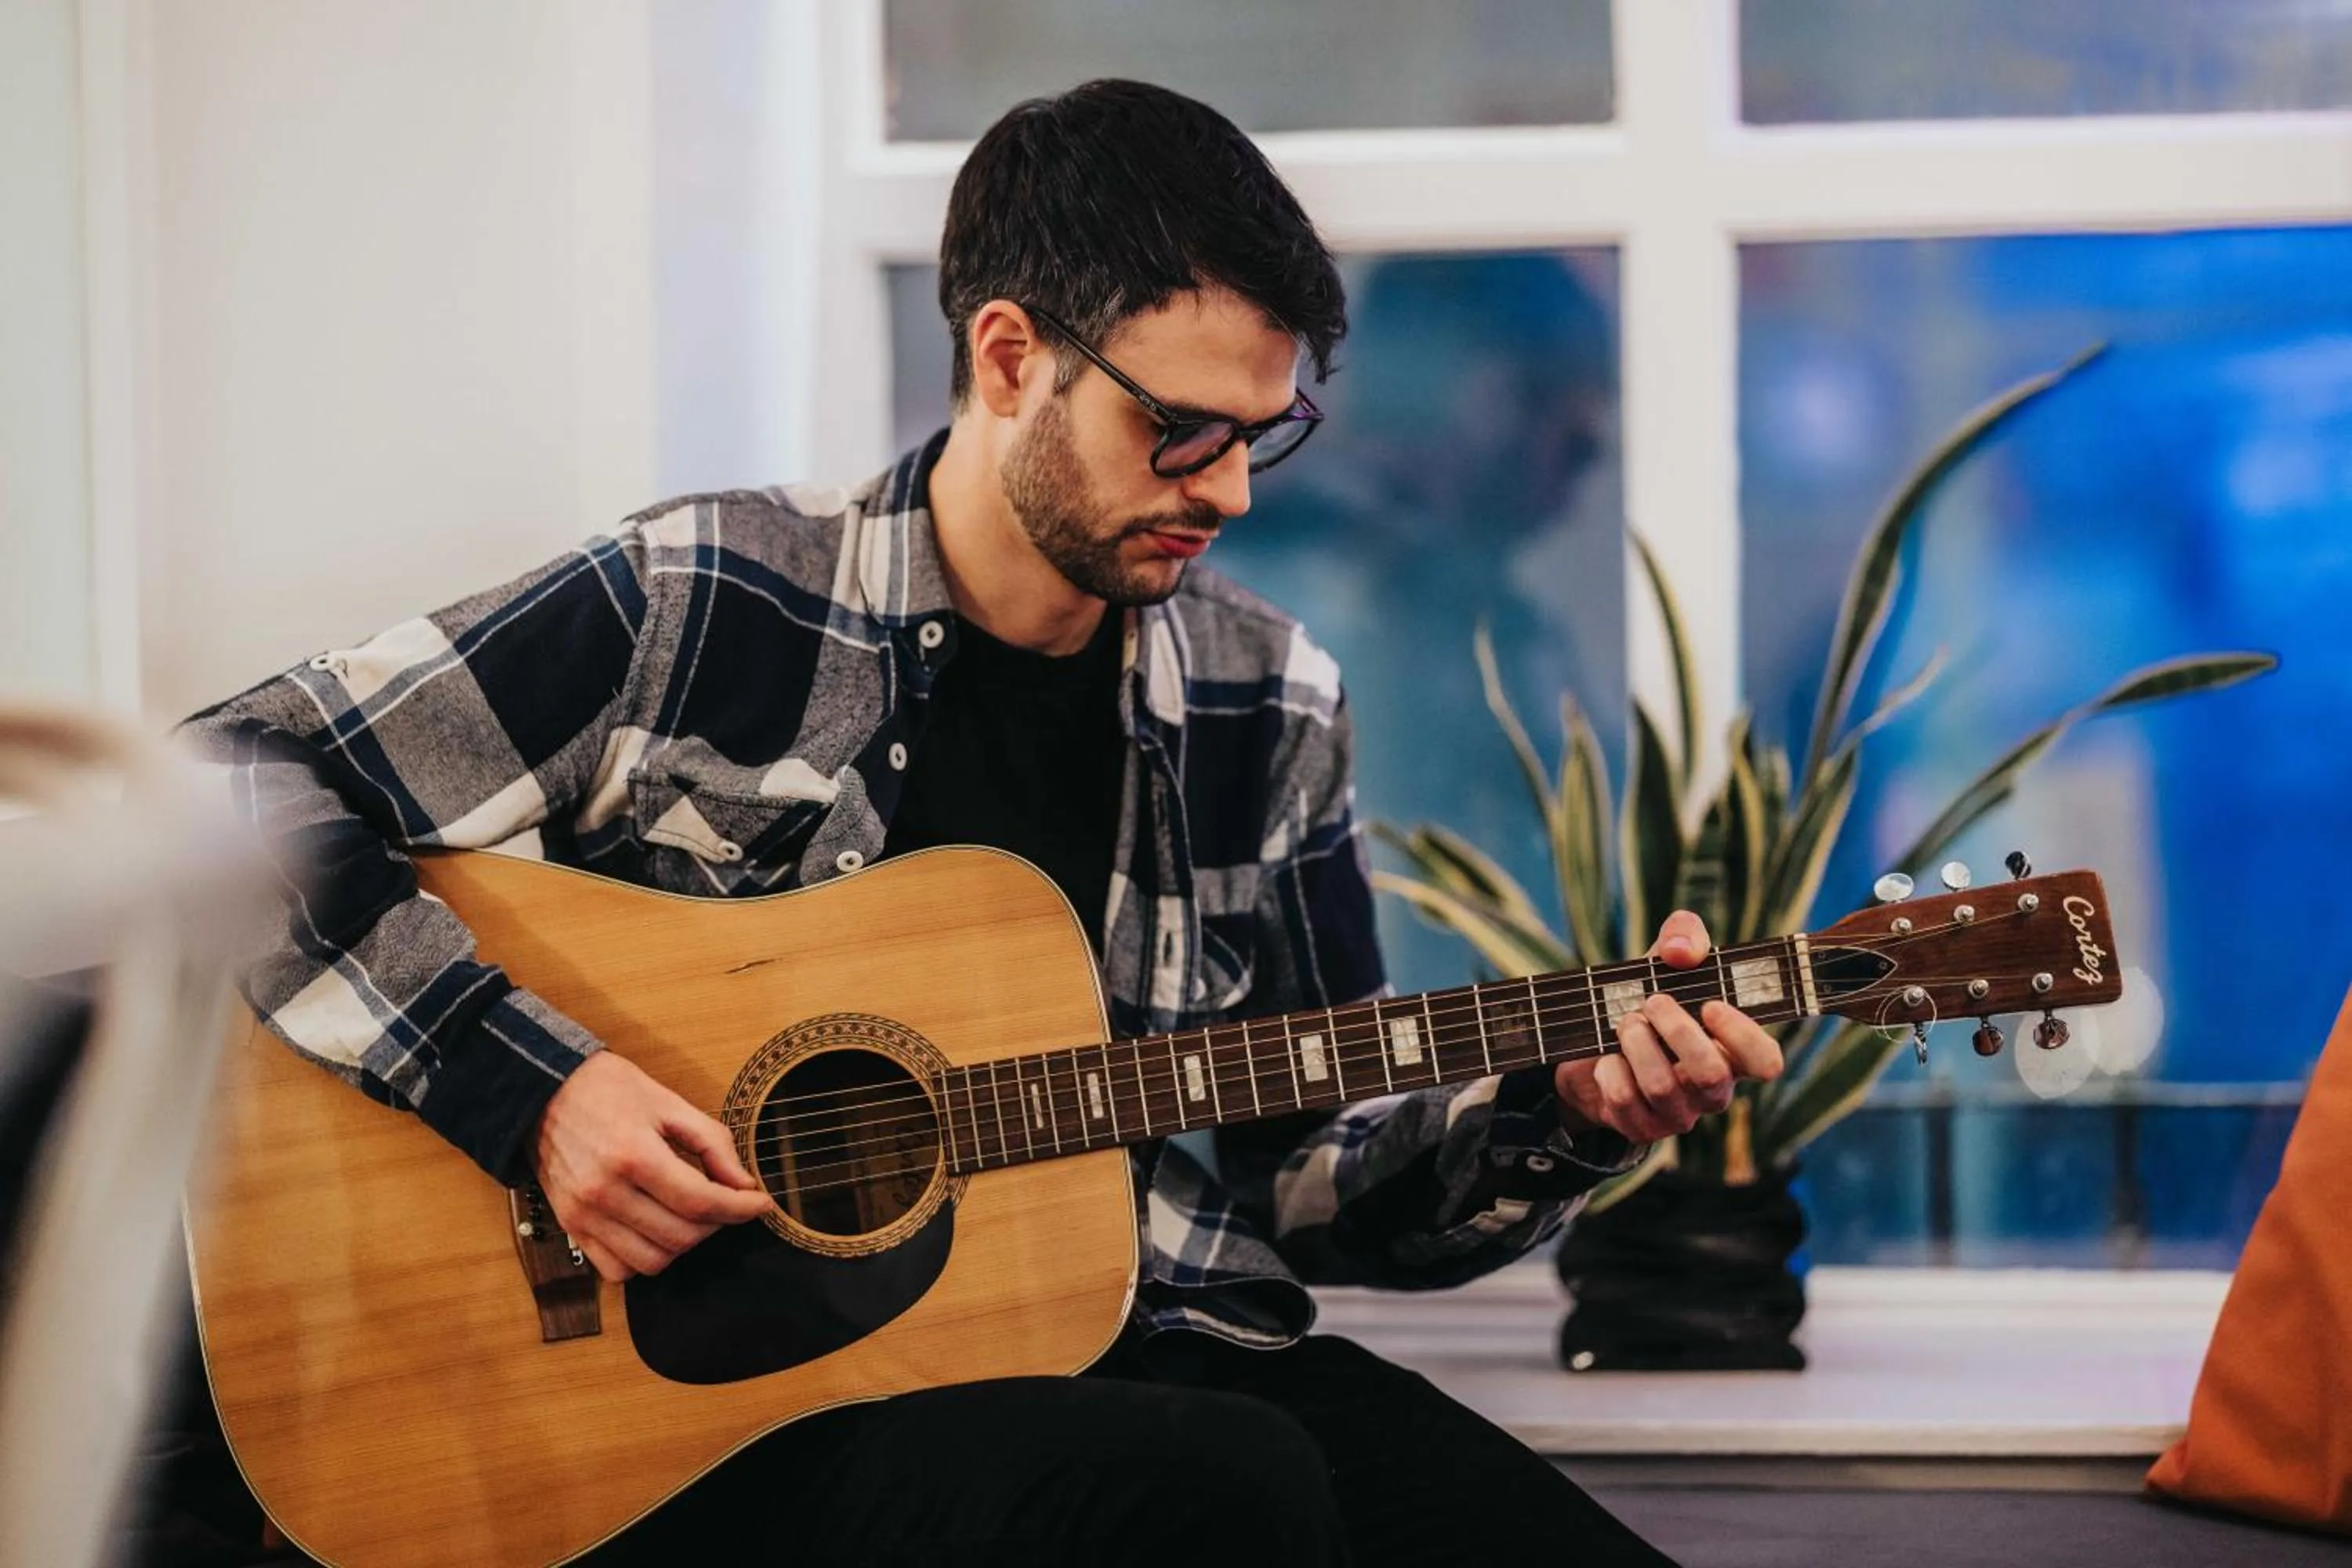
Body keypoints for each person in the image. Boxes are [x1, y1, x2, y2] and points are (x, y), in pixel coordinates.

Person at [182, 79, 1781, 1567]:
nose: (1229, 494)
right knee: (1222, 1489)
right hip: (700, 1409)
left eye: (1265, 433)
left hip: (1134, 1335)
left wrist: (1562, 1112)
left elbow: (1310, 1180)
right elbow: (222, 778)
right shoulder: (707, 597)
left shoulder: (1265, 699)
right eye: (1183, 431)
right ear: (1011, 356)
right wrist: (535, 1094)